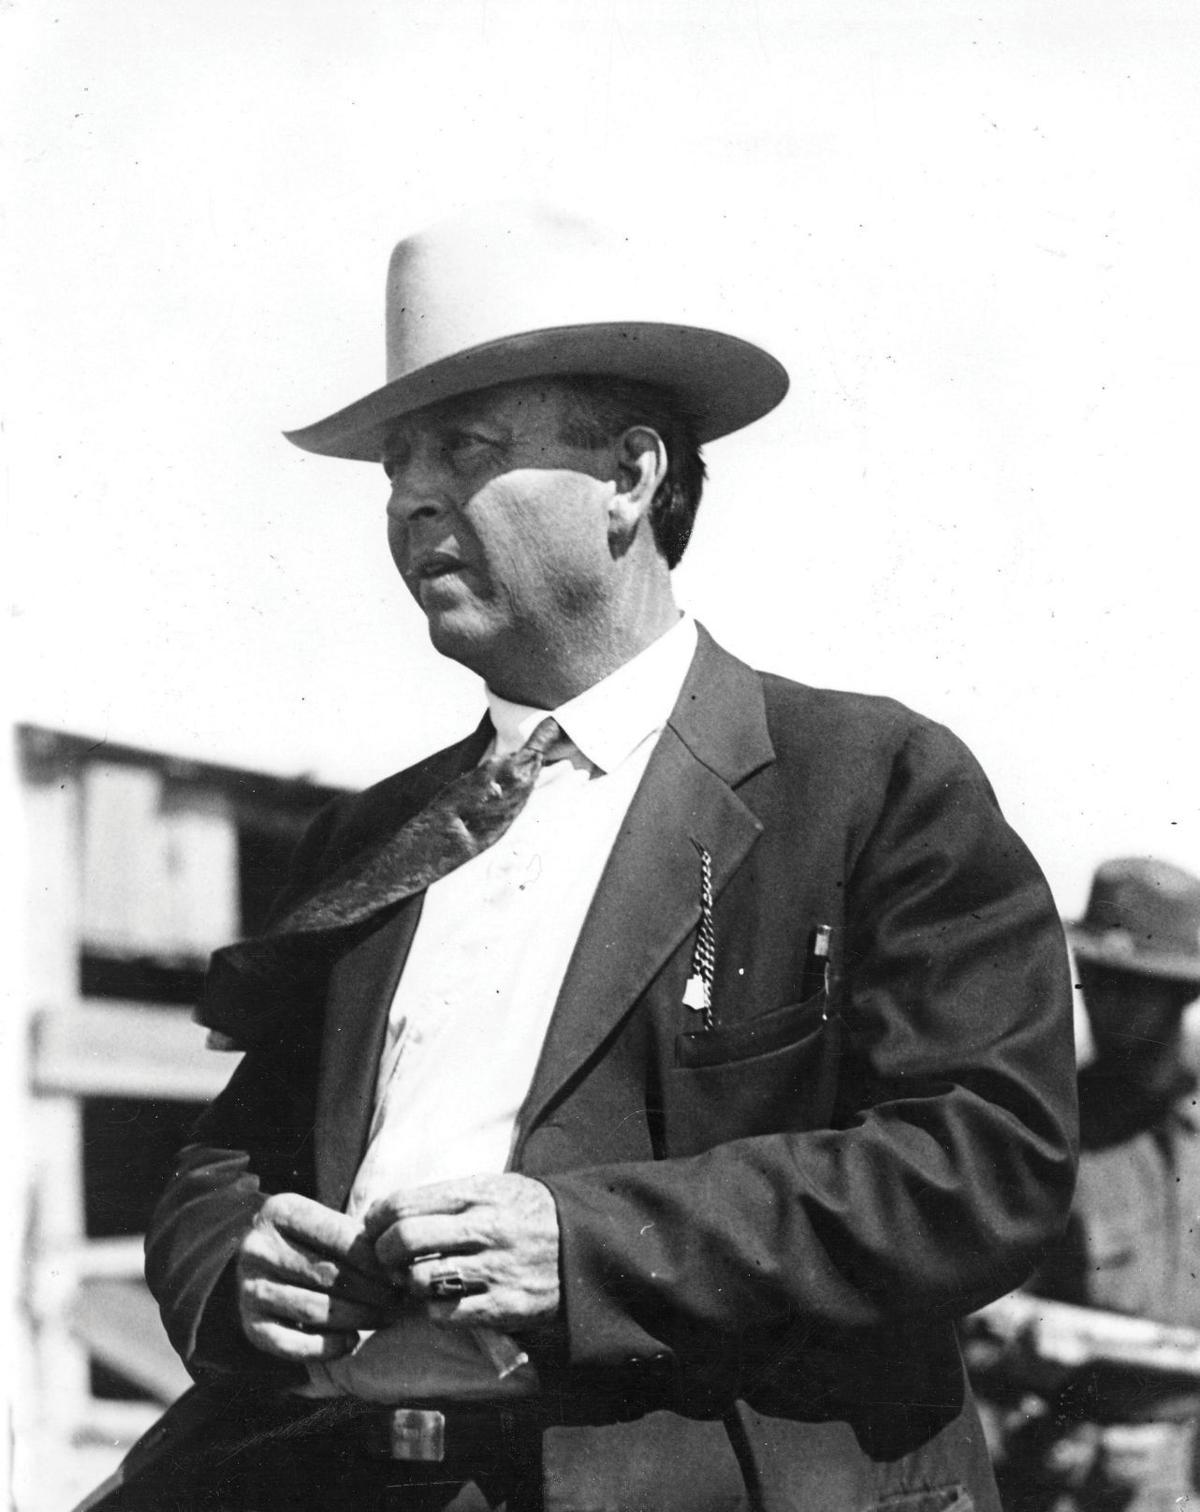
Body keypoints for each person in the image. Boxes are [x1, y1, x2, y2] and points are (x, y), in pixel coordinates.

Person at [85, 204, 1077, 1512]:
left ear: (630, 477)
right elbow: (232, 1159)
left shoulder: (871, 784)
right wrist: (237, 1267)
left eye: (467, 447)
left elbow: (984, 1160)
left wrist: (588, 1246)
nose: (413, 496)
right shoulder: (367, 838)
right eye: (396, 466)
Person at [987, 857, 1200, 1512]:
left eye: (1134, 984)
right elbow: (981, 1327)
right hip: (1066, 1471)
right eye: (1097, 978)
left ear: (1180, 993)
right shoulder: (1044, 1134)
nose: (1106, 1002)